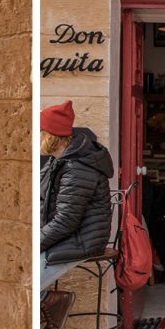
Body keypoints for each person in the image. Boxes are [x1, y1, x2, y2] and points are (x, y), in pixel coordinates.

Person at [39, 100, 113, 291]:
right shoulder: (58, 162)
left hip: (82, 239)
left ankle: (53, 303)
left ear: (51, 136)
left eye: (39, 132)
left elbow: (66, 220)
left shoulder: (77, 168)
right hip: (67, 236)